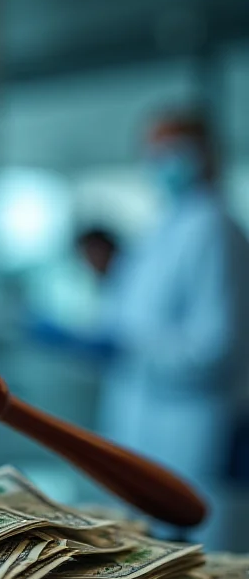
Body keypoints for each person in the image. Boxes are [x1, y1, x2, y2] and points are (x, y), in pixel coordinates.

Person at [99, 110, 249, 486]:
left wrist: (130, 349)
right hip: (139, 418)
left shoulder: (214, 228)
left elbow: (215, 349)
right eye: (152, 149)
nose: (160, 160)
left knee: (194, 533)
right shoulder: (163, 226)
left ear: (204, 152)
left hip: (190, 426)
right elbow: (129, 314)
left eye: (171, 147)